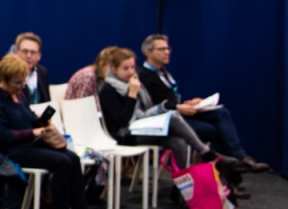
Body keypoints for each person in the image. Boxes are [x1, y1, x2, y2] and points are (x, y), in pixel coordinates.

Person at [0, 53, 93, 209]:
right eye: (17, 82)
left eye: (23, 81)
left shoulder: (19, 95)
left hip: (29, 145)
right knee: (63, 163)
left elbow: (27, 119)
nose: (22, 85)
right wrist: (32, 132)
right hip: (11, 151)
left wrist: (40, 122)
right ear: (4, 80)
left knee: (73, 159)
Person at [138, 34, 269, 172]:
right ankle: (231, 170)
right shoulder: (143, 76)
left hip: (179, 112)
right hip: (167, 120)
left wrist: (190, 103)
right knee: (217, 131)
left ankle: (240, 158)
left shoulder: (164, 73)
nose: (167, 52)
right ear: (148, 52)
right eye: (162, 49)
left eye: (168, 48)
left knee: (222, 113)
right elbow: (152, 106)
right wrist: (178, 107)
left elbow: (170, 97)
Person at [98, 48, 237, 176]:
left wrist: (161, 107)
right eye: (125, 68)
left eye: (133, 67)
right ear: (114, 70)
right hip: (124, 135)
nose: (130, 72)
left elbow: (145, 111)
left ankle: (182, 187)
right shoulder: (108, 90)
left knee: (179, 142)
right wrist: (132, 95)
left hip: (141, 127)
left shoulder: (134, 84)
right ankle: (207, 153)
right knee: (173, 117)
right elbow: (123, 121)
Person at [13, 31, 50, 104]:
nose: (29, 56)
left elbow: (47, 100)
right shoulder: (9, 74)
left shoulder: (43, 72)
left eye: (33, 52)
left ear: (39, 56)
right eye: (25, 51)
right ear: (17, 53)